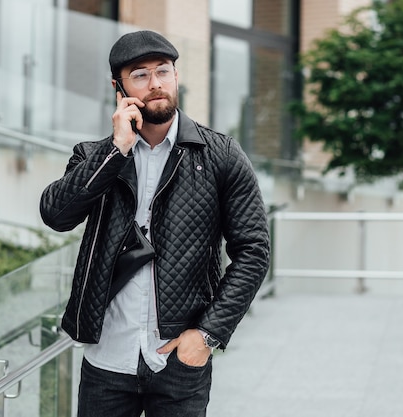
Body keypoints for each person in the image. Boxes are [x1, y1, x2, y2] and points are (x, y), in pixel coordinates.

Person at [39, 30, 270, 417]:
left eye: (163, 71)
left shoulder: (221, 155)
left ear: (176, 76)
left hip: (179, 360)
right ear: (119, 88)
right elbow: (56, 215)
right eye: (140, 75)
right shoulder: (94, 155)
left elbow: (254, 252)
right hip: (107, 358)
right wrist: (116, 151)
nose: (156, 84)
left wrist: (207, 334)